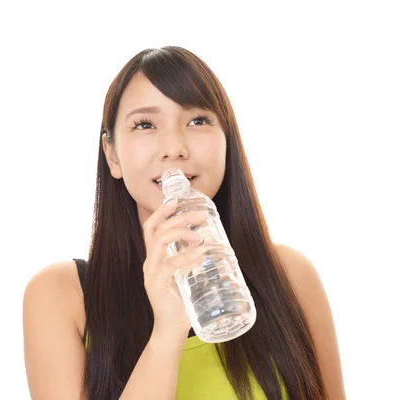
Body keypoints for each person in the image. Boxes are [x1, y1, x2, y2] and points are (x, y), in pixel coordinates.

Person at [23, 46, 346, 400]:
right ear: (112, 156)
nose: (174, 147)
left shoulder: (290, 275)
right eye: (144, 124)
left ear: (228, 141)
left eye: (197, 120)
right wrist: (168, 331)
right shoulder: (61, 295)